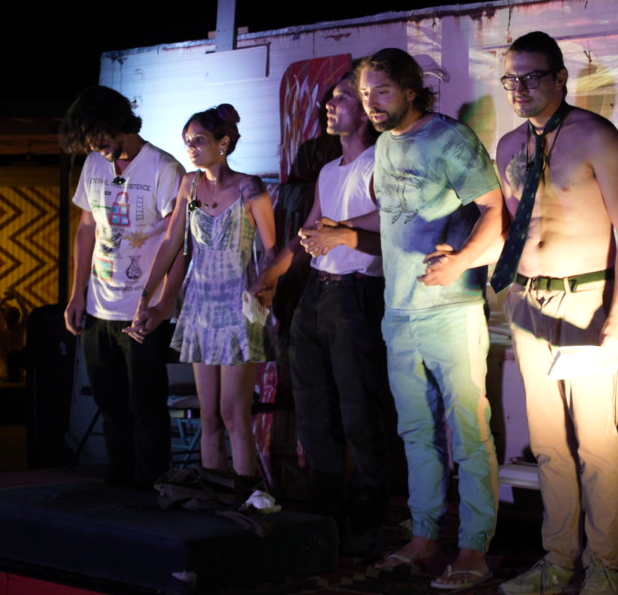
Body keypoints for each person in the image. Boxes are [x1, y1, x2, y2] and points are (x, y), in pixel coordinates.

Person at [490, 32, 618, 595]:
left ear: (560, 78)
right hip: (527, 302)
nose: (521, 90)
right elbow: (510, 228)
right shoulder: (507, 145)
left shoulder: (595, 136)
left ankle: (603, 567)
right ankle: (558, 560)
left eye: (532, 78)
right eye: (511, 80)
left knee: (597, 442)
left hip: (586, 300)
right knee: (548, 444)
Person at [357, 48, 504, 591]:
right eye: (366, 93)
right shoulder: (383, 144)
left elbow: (496, 214)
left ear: (412, 90)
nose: (372, 103)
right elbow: (397, 226)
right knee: (416, 432)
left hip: (451, 310)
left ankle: (474, 549)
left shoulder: (450, 139)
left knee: (468, 431)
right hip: (399, 311)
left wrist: (461, 262)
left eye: (383, 92)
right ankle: (423, 538)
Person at [250, 73, 392, 556]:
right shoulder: (330, 169)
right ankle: (327, 502)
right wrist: (275, 273)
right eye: (329, 99)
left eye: (343, 98)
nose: (331, 106)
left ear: (368, 108)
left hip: (358, 289)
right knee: (312, 400)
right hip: (319, 289)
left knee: (359, 403)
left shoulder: (382, 160)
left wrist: (341, 230)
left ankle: (371, 507)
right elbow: (309, 230)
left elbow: (389, 222)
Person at [133, 104, 276, 481]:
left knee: (233, 413)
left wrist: (267, 288)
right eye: (187, 142)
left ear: (223, 142)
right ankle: (216, 496)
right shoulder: (190, 184)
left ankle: (245, 494)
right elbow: (173, 243)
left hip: (237, 302)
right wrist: (147, 297)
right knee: (209, 414)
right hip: (199, 304)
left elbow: (271, 249)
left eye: (199, 140)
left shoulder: (250, 186)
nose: (191, 148)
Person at [60, 84, 185, 488]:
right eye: (89, 137)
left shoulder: (163, 169)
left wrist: (163, 304)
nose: (96, 144)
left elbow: (179, 242)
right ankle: (119, 484)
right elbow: (85, 228)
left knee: (146, 403)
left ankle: (154, 488)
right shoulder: (94, 165)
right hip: (98, 305)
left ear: (122, 122)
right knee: (110, 403)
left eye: (101, 133)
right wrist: (76, 294)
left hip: (140, 309)